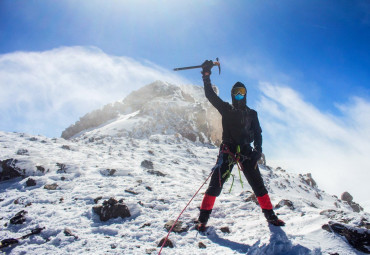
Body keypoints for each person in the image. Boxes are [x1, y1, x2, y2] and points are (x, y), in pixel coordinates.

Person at [195, 60, 285, 232]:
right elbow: (210, 95)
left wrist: (258, 152)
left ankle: (271, 217)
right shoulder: (226, 109)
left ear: (245, 94)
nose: (238, 95)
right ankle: (202, 219)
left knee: (258, 185)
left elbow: (258, 133)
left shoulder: (252, 114)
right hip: (227, 150)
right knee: (215, 184)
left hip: (246, 152)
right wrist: (206, 74)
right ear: (232, 94)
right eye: (236, 93)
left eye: (241, 93)